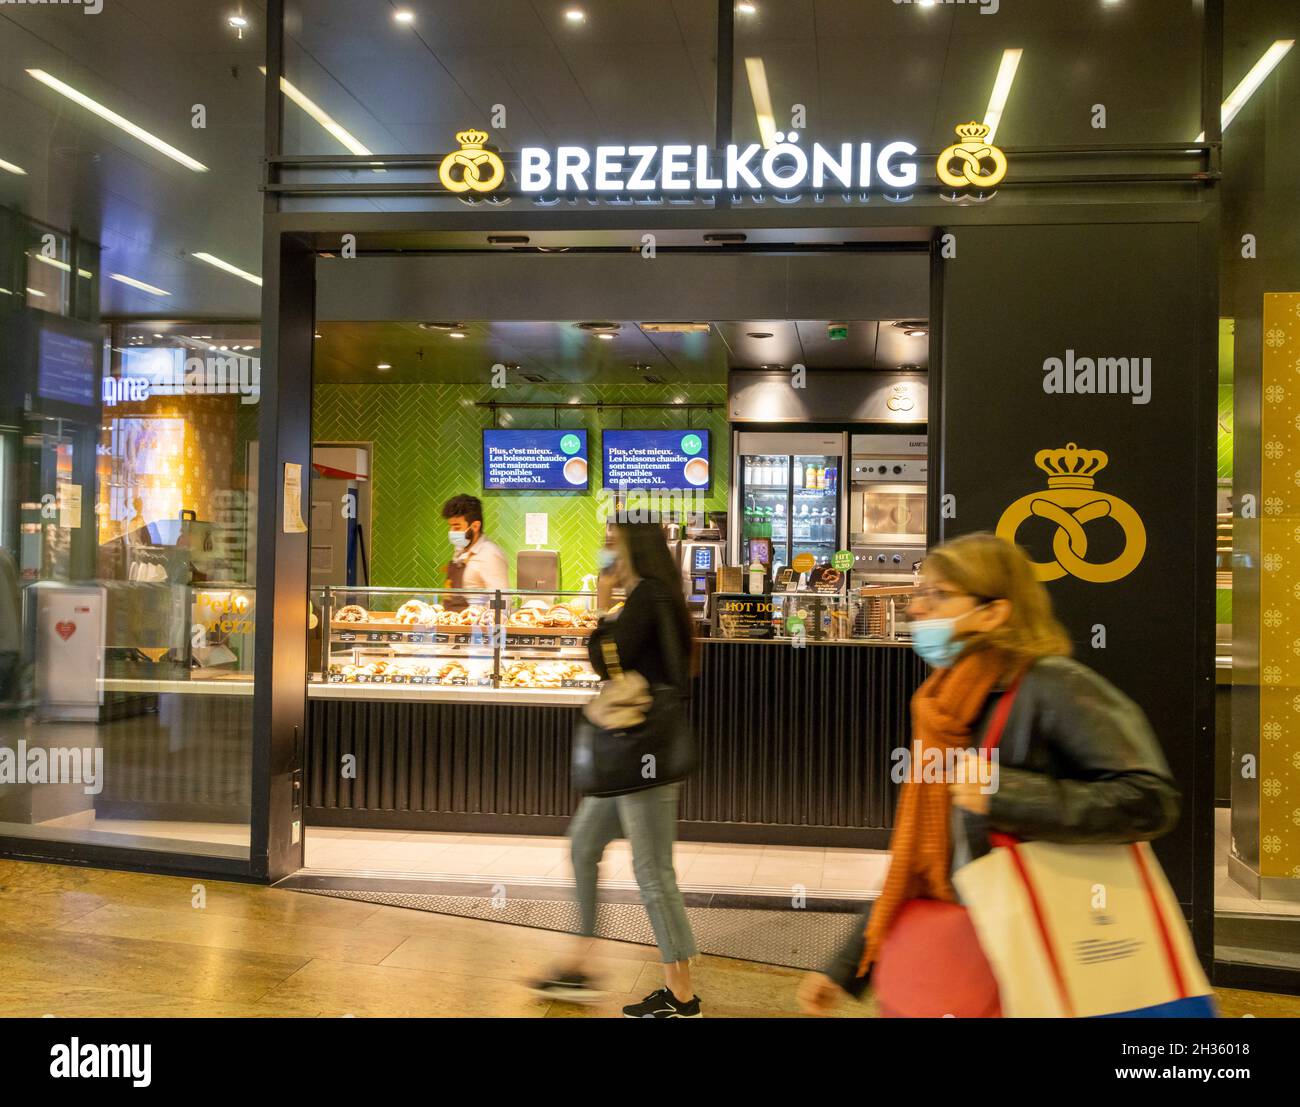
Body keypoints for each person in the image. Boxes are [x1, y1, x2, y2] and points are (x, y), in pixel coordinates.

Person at [798, 531, 1180, 1015]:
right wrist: (846, 965)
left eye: (937, 596)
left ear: (994, 612)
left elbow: (1151, 800)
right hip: (965, 947)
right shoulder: (941, 703)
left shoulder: (1056, 686)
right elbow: (919, 856)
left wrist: (1005, 794)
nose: (916, 609)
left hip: (1037, 948)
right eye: (920, 592)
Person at [532, 521, 703, 1018]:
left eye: (614, 547)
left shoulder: (648, 596)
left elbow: (604, 661)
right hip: (630, 753)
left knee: (653, 873)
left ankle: (681, 996)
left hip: (641, 752)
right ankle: (579, 963)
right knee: (584, 845)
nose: (609, 556)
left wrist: (603, 605)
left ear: (635, 551)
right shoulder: (656, 597)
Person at [440, 494, 509, 610]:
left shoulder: (490, 554)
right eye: (450, 526)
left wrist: (488, 624)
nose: (451, 532)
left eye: (457, 527)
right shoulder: (460, 551)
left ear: (475, 526)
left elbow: (501, 602)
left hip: (475, 625)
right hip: (453, 623)